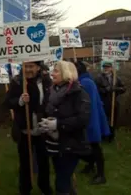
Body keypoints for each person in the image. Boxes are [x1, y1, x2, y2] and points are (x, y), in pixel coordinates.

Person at [39, 61, 91, 195]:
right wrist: (46, 123)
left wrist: (58, 124)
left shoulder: (79, 93)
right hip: (54, 143)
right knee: (63, 177)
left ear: (66, 73)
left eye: (56, 71)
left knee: (61, 182)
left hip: (71, 145)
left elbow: (82, 119)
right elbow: (49, 111)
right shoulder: (51, 91)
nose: (52, 74)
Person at [5, 61, 52, 195]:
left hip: (42, 128)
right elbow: (8, 102)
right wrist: (20, 101)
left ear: (38, 67)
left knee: (44, 161)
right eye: (26, 66)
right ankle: (25, 189)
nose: (28, 70)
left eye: (31, 67)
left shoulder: (46, 81)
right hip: (25, 130)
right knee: (25, 162)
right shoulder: (18, 82)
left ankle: (45, 187)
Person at [74, 61, 110, 185]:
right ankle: (91, 165)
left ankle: (101, 174)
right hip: (90, 119)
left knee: (94, 147)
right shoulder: (86, 81)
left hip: (89, 120)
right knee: (89, 146)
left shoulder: (84, 83)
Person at [95, 61, 126, 142]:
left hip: (114, 103)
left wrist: (116, 89)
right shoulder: (99, 78)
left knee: (113, 120)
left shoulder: (116, 78)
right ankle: (104, 136)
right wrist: (107, 89)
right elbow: (97, 90)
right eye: (104, 67)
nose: (106, 69)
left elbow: (123, 88)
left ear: (111, 68)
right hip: (104, 102)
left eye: (107, 67)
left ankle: (111, 136)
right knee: (104, 119)